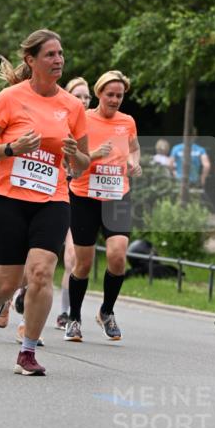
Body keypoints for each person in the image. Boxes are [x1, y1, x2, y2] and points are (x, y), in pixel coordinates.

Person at [0, 29, 89, 376]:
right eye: (50, 54)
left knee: (40, 273)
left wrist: (74, 156)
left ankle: (28, 351)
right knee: (6, 283)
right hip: (7, 197)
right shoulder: (9, 98)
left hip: (52, 198)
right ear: (31, 61)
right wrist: (11, 149)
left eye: (61, 53)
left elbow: (83, 163)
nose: (58, 60)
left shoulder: (72, 106)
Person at [65, 69, 141, 344]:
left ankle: (106, 311)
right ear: (99, 94)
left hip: (117, 194)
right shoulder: (82, 118)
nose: (115, 100)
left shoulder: (127, 121)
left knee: (118, 255)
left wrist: (134, 162)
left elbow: (133, 148)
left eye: (119, 95)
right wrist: (93, 156)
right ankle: (74, 318)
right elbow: (71, 155)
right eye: (110, 94)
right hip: (84, 195)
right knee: (83, 263)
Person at [55, 77, 92, 327]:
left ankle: (65, 312)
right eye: (78, 96)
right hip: (49, 195)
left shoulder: (96, 124)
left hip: (78, 198)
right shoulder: (56, 119)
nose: (83, 101)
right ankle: (21, 292)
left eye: (87, 97)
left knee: (72, 258)